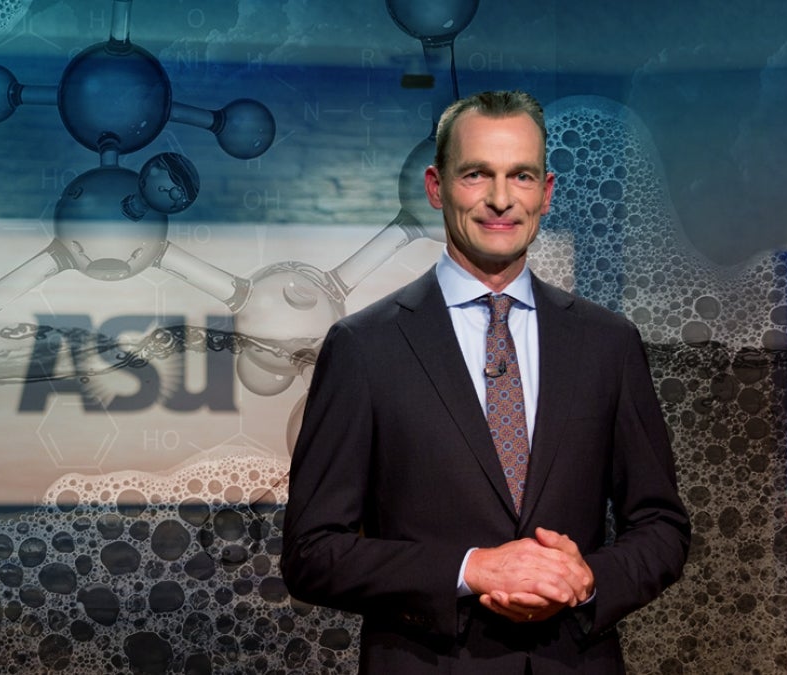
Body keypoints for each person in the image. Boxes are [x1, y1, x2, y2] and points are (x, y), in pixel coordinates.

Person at [280, 90, 691, 673]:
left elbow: (662, 526)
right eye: (476, 174)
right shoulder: (364, 348)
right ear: (435, 187)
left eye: (520, 176)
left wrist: (587, 578)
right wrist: (472, 569)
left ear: (546, 193)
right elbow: (311, 553)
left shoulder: (608, 343)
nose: (501, 199)